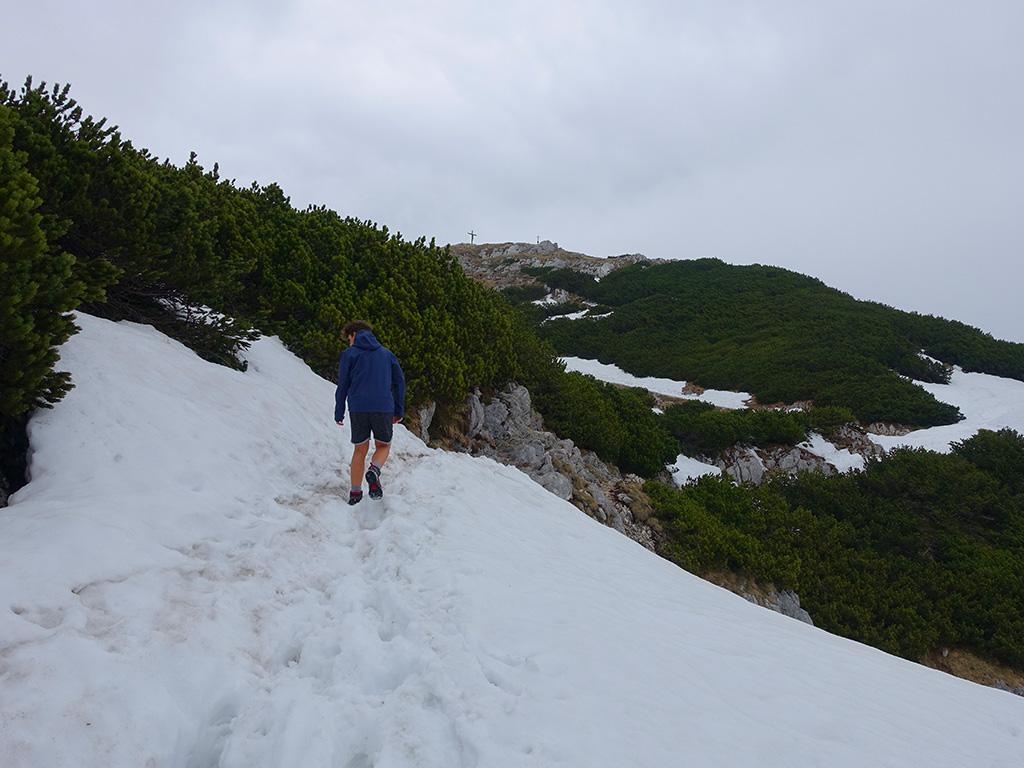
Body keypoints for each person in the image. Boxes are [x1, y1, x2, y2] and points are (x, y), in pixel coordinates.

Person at [335, 320, 406, 505]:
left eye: (349, 339)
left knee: (360, 449)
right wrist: (398, 410)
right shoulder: (386, 354)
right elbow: (400, 383)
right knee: (383, 446)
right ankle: (374, 469)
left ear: (353, 335)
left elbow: (342, 385)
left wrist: (339, 412)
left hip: (358, 407)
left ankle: (355, 494)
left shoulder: (348, 354)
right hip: (383, 407)